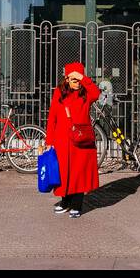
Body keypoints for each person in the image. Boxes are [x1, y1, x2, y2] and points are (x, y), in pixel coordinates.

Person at [42, 62, 101, 218]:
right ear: (67, 79)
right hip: (61, 140)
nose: (77, 83)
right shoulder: (59, 93)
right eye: (74, 80)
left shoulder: (86, 93)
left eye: (79, 80)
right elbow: (52, 117)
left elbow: (96, 93)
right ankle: (65, 203)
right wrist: (49, 140)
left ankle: (76, 206)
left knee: (78, 173)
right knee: (62, 173)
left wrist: (83, 78)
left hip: (80, 141)